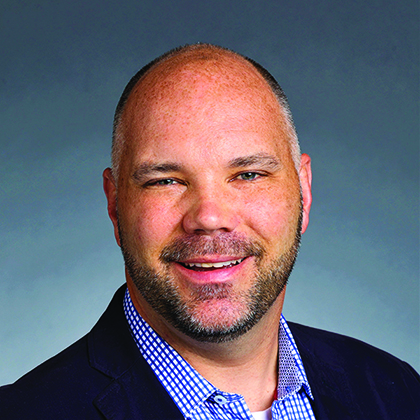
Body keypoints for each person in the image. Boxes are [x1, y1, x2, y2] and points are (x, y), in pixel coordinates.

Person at [0, 43, 418, 420]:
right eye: (165, 180)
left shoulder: (395, 392)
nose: (209, 216)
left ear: (304, 190)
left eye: (248, 174)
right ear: (114, 204)